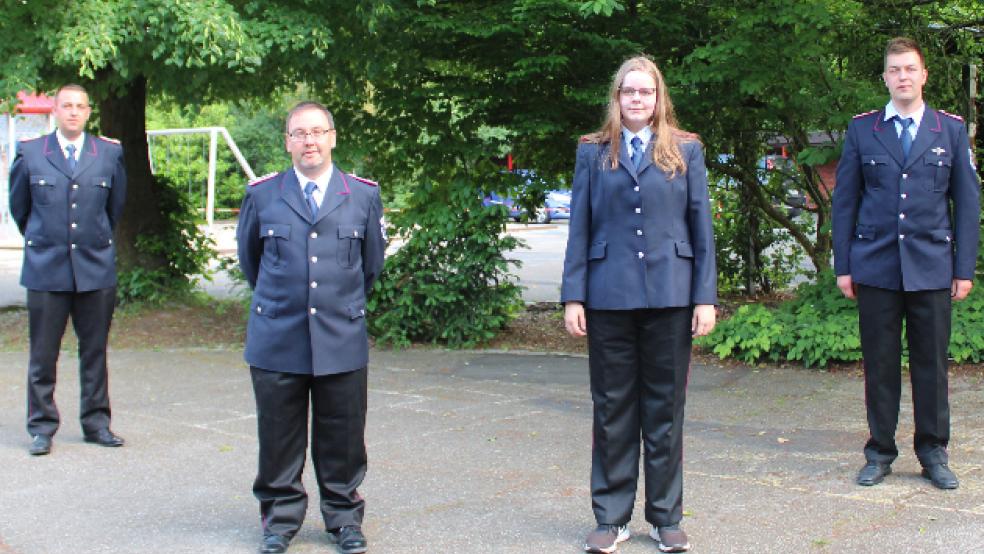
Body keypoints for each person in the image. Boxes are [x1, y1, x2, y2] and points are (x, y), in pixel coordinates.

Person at [562, 55, 717, 554]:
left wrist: (704, 298)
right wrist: (574, 295)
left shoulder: (686, 150)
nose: (636, 99)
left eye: (645, 92)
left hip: (671, 296)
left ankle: (666, 517)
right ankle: (611, 517)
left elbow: (701, 230)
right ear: (617, 97)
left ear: (658, 98)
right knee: (612, 410)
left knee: (665, 410)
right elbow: (579, 228)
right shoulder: (592, 152)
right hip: (608, 297)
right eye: (628, 91)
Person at [236, 101, 386, 554]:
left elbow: (370, 266)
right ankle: (280, 521)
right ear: (287, 142)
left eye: (318, 132)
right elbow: (251, 263)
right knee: (279, 437)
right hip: (277, 337)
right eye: (300, 133)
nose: (310, 141)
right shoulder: (262, 194)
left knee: (342, 437)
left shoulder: (361, 195)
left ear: (333, 137)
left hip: (340, 337)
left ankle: (343, 518)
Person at [832, 37, 980, 490]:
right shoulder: (863, 129)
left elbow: (967, 203)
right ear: (885, 78)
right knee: (879, 364)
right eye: (894, 70)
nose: (902, 77)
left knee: (931, 365)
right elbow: (845, 201)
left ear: (923, 75)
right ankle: (879, 451)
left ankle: (933, 452)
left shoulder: (949, 130)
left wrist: (963, 268)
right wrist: (844, 265)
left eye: (910, 69)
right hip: (875, 265)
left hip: (931, 265)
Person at [8, 84, 127, 456]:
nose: (73, 112)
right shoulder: (31, 153)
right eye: (66, 106)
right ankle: (42, 427)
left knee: (94, 352)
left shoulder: (108, 154)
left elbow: (114, 209)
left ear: (89, 111)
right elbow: (21, 210)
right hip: (47, 270)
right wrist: (48, 240)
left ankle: (96, 423)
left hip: (94, 268)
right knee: (43, 354)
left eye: (80, 106)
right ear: (55, 111)